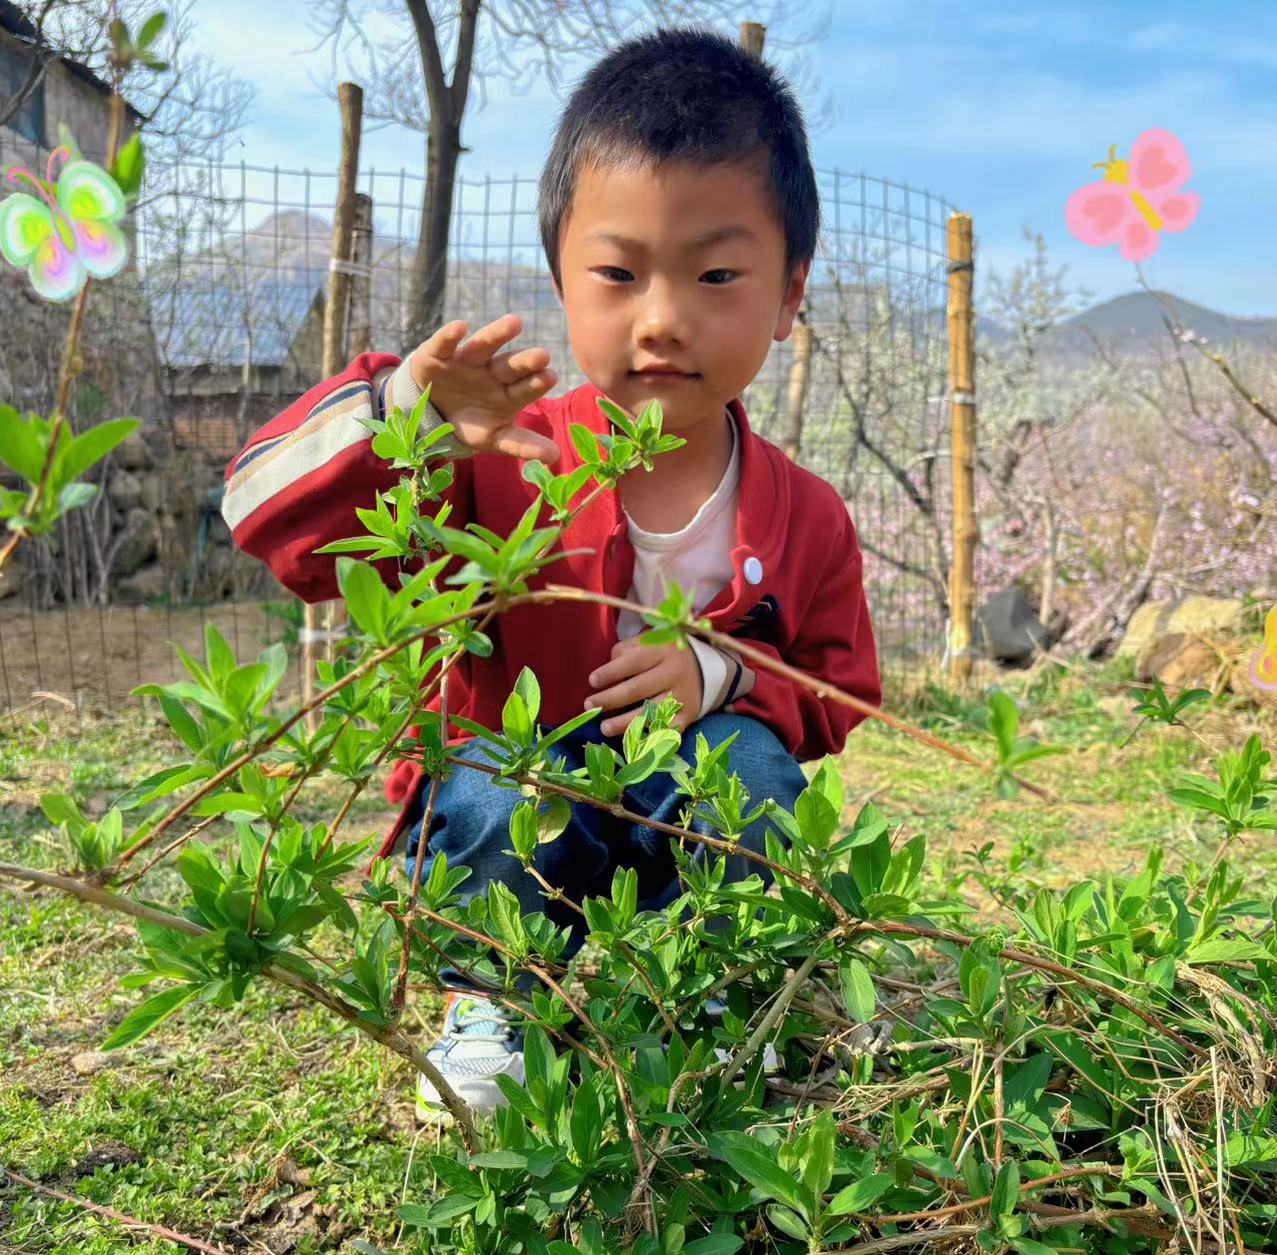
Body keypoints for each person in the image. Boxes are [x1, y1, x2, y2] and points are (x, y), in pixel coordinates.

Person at [222, 28, 881, 1119]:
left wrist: (721, 680)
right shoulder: (495, 454)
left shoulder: (807, 516)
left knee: (754, 771)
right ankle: (494, 999)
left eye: (718, 274)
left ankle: (717, 993)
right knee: (490, 772)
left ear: (790, 290)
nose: (663, 319)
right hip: (516, 826)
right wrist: (404, 425)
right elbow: (264, 521)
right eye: (619, 274)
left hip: (683, 815)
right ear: (562, 277)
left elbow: (843, 687)